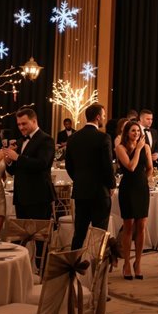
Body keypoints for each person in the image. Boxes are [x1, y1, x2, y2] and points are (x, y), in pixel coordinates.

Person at [64, 104, 116, 250]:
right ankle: (96, 270)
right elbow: (107, 165)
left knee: (79, 233)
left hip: (81, 192)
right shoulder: (103, 137)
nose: (104, 118)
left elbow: (69, 166)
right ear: (98, 117)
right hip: (100, 192)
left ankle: (73, 267)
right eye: (103, 116)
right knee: (99, 234)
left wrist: (80, 180)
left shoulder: (73, 138)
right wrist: (111, 185)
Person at [115, 120, 153, 280]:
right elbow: (130, 167)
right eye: (133, 131)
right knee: (128, 226)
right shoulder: (120, 147)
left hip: (141, 188)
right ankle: (127, 264)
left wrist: (145, 180)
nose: (136, 133)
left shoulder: (146, 147)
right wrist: (137, 149)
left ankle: (138, 262)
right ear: (127, 133)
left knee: (142, 226)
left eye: (138, 131)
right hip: (127, 189)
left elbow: (150, 168)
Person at [4, 108, 55, 221]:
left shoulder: (46, 139)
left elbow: (42, 164)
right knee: (22, 235)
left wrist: (17, 157)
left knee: (40, 235)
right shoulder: (19, 142)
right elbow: (14, 171)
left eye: (24, 123)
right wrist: (9, 162)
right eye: (19, 124)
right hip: (21, 197)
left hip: (39, 195)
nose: (21, 127)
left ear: (34, 121)